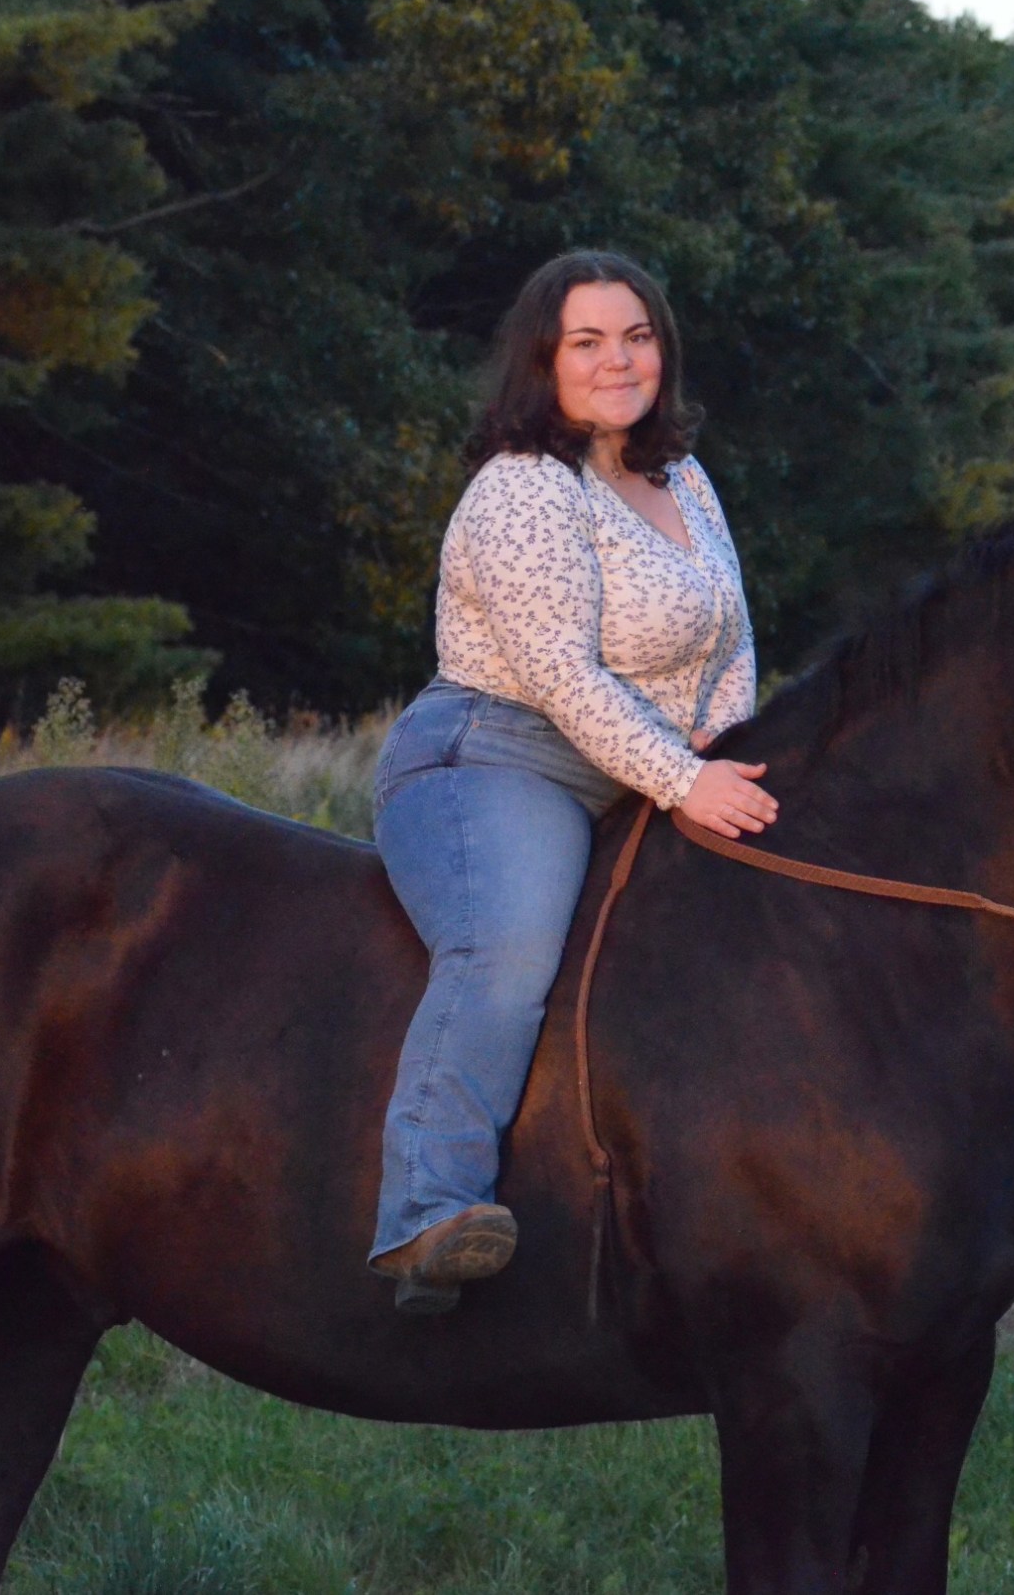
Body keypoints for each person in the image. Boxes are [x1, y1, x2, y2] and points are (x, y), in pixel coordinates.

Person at [367, 250, 778, 1311]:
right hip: (500, 753)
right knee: (505, 951)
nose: (617, 360)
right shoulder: (524, 488)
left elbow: (729, 637)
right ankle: (427, 1214)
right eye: (587, 341)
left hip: (646, 761)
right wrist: (684, 782)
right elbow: (561, 673)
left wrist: (725, 756)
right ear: (542, 359)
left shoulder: (680, 475)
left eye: (637, 336)